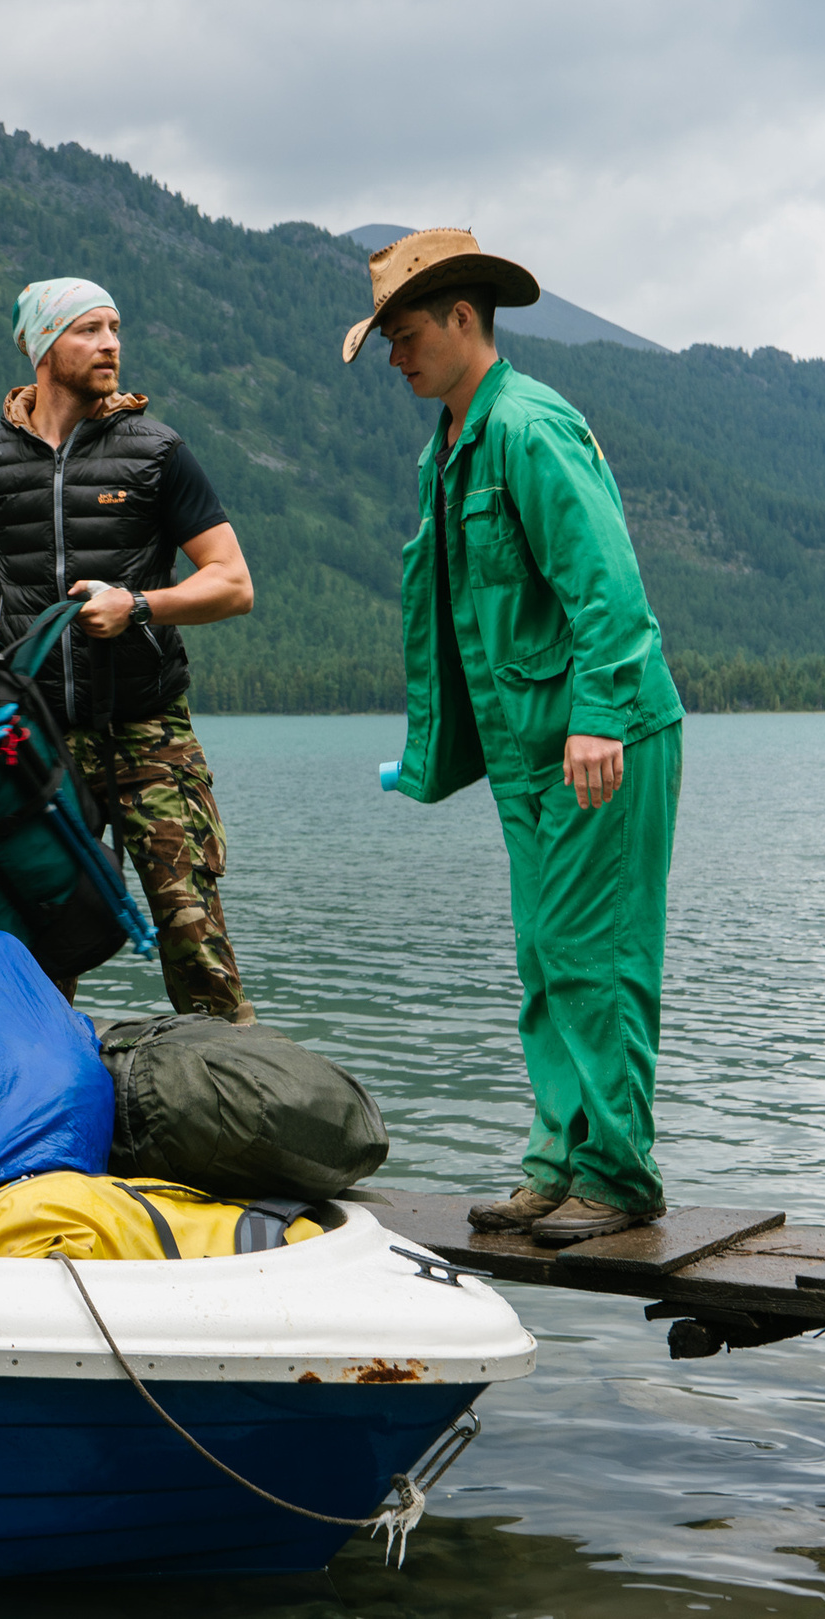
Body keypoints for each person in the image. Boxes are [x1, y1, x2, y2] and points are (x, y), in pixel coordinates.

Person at [347, 228, 685, 1245]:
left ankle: (619, 1178)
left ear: (462, 321)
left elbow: (605, 584)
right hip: (527, 754)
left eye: (405, 336)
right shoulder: (449, 449)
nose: (396, 359)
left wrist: (598, 716)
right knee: (546, 957)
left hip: (600, 738)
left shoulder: (531, 429)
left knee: (597, 956)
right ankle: (558, 1164)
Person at [0, 279, 256, 1021]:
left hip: (149, 732)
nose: (111, 343)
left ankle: (239, 1100)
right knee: (40, 945)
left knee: (193, 937)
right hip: (35, 739)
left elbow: (233, 583)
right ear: (44, 348)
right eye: (90, 330)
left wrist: (139, 603)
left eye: (115, 327)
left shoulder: (157, 452)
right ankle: (43, 1106)